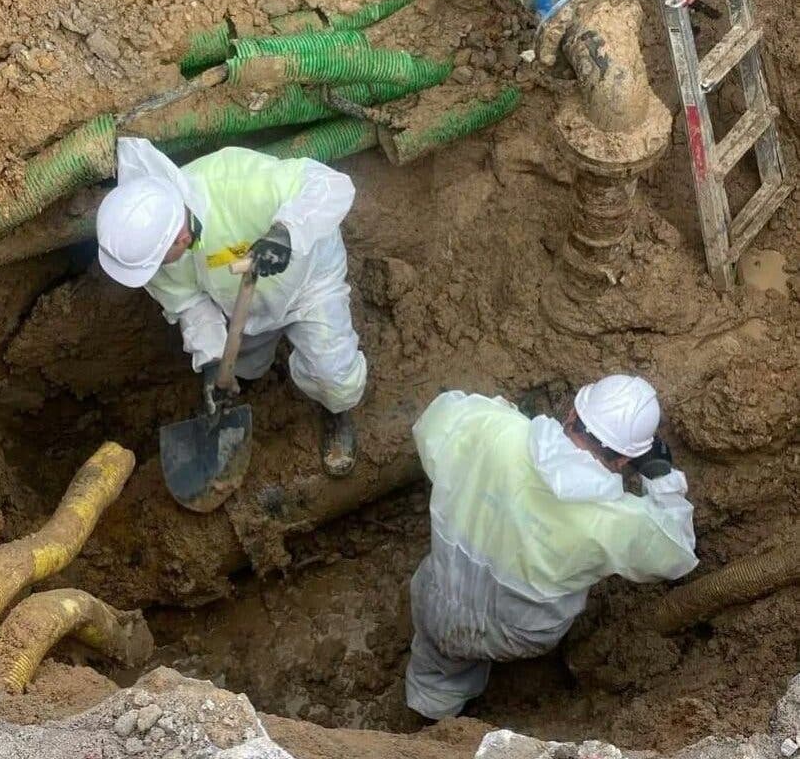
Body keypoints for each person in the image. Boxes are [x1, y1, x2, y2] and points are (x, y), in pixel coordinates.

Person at [405, 374, 698, 719]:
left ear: (572, 413)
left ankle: (428, 718)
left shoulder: (493, 431)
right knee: (474, 646)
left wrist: (505, 414)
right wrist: (663, 478)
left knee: (438, 666)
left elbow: (434, 422)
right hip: (519, 633)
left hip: (438, 595)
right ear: (623, 461)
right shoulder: (618, 521)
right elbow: (678, 552)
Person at [95, 137, 366, 477]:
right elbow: (190, 303)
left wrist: (286, 232)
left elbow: (331, 186)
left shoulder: (235, 183)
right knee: (243, 370)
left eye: (159, 262)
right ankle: (247, 384)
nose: (157, 271)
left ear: (178, 238)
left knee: (334, 375)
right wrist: (211, 362)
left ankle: (337, 411)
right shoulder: (156, 256)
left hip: (309, 280)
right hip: (241, 303)